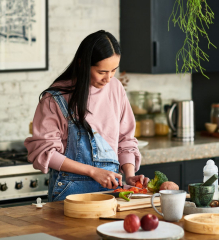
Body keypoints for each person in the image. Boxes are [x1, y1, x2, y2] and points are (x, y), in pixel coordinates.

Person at [24, 30, 149, 202]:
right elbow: (46, 152)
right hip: (70, 196)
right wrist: (93, 171)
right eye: (102, 71)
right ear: (83, 64)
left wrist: (129, 175)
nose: (109, 78)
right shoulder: (55, 98)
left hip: (112, 194)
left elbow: (125, 139)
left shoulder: (116, 88)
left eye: (114, 70)